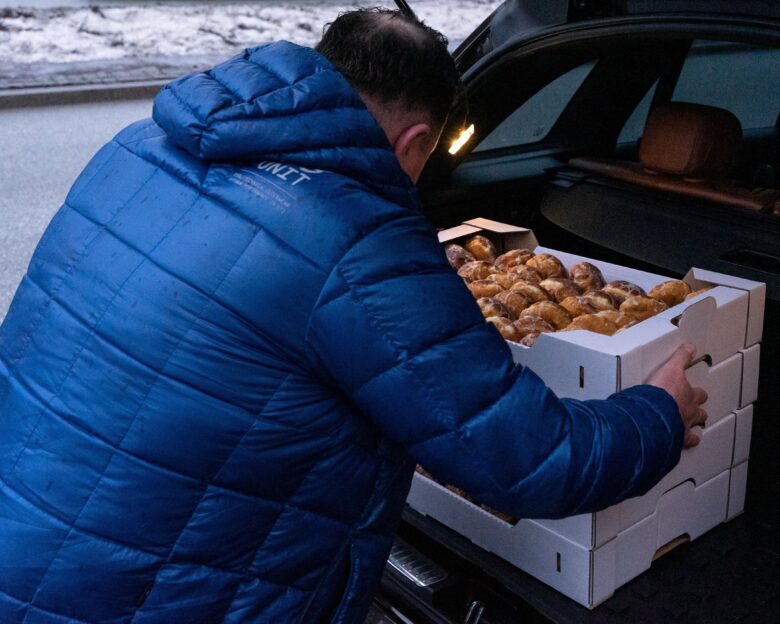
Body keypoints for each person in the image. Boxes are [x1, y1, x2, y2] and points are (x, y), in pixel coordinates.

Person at [0, 8, 706, 624]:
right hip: (153, 596)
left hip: (25, 541)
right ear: (415, 142)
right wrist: (659, 414)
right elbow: (529, 460)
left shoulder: (139, 147)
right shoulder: (356, 240)